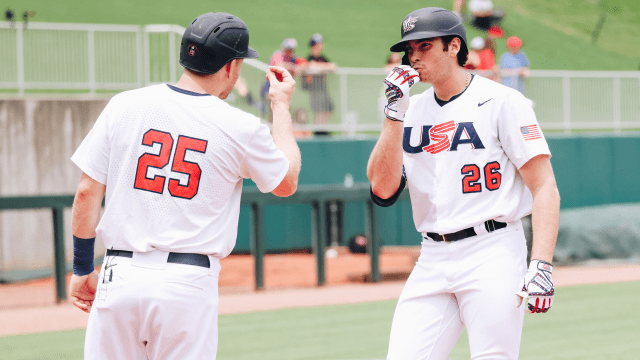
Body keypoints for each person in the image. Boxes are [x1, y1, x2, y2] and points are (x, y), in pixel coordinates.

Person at [67, 12, 301, 360]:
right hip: (186, 285)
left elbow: (87, 192)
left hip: (119, 277)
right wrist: (280, 105)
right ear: (231, 67)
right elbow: (286, 182)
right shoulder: (240, 126)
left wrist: (82, 268)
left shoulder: (125, 104)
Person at [368, 7, 559, 359]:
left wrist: (541, 263)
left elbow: (544, 185)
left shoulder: (502, 101)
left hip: (493, 249)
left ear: (454, 46)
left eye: (423, 46)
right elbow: (382, 189)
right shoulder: (410, 111)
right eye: (409, 50)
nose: (413, 57)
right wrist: (393, 114)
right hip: (432, 255)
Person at [260, 38, 306, 117]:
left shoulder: (294, 59)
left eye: (291, 50)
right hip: (270, 90)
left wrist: (298, 68)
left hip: (284, 93)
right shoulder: (278, 55)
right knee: (273, 117)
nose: (289, 52)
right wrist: (292, 67)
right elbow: (278, 65)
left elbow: (304, 64)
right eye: (287, 49)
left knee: (282, 116)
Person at [303, 33, 336, 136]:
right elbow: (310, 67)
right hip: (315, 89)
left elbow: (333, 67)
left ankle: (323, 128)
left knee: (329, 107)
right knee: (318, 109)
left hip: (323, 88)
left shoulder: (322, 58)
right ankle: (318, 130)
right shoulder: (309, 58)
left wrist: (320, 67)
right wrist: (322, 68)